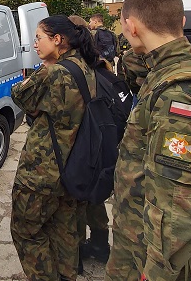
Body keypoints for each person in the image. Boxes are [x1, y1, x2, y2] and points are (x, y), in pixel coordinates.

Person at [105, 0, 191, 281]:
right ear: (183, 22)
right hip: (140, 240)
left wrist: (154, 273)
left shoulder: (180, 95)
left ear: (131, 27)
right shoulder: (178, 71)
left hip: (148, 257)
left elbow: (180, 206)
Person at [10, 15, 100, 280]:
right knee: (65, 233)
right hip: (73, 167)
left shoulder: (53, 72)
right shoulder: (85, 66)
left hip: (42, 171)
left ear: (58, 39)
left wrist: (42, 70)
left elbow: (20, 95)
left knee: (26, 231)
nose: (34, 44)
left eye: (39, 38)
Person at [69, 14, 112, 268]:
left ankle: (75, 255)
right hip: (102, 140)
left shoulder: (73, 68)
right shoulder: (100, 64)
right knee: (96, 197)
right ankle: (100, 244)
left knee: (76, 200)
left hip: (81, 143)